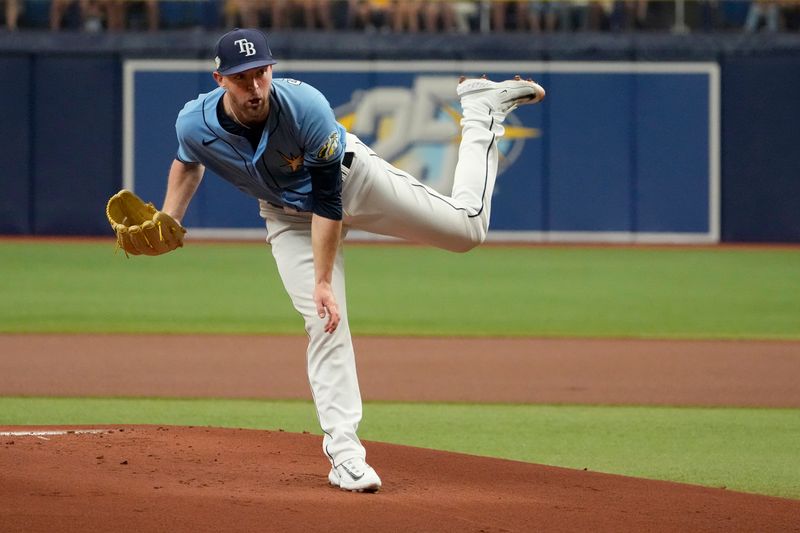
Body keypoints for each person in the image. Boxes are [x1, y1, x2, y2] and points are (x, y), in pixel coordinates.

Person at [160, 28, 545, 492]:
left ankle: (481, 111)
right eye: (244, 78)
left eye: (262, 72)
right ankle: (345, 455)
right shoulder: (193, 122)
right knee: (324, 323)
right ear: (220, 79)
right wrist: (170, 218)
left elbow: (329, 202)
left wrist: (323, 279)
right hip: (286, 218)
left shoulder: (306, 107)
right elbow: (188, 159)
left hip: (350, 180)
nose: (257, 86)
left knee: (467, 231)